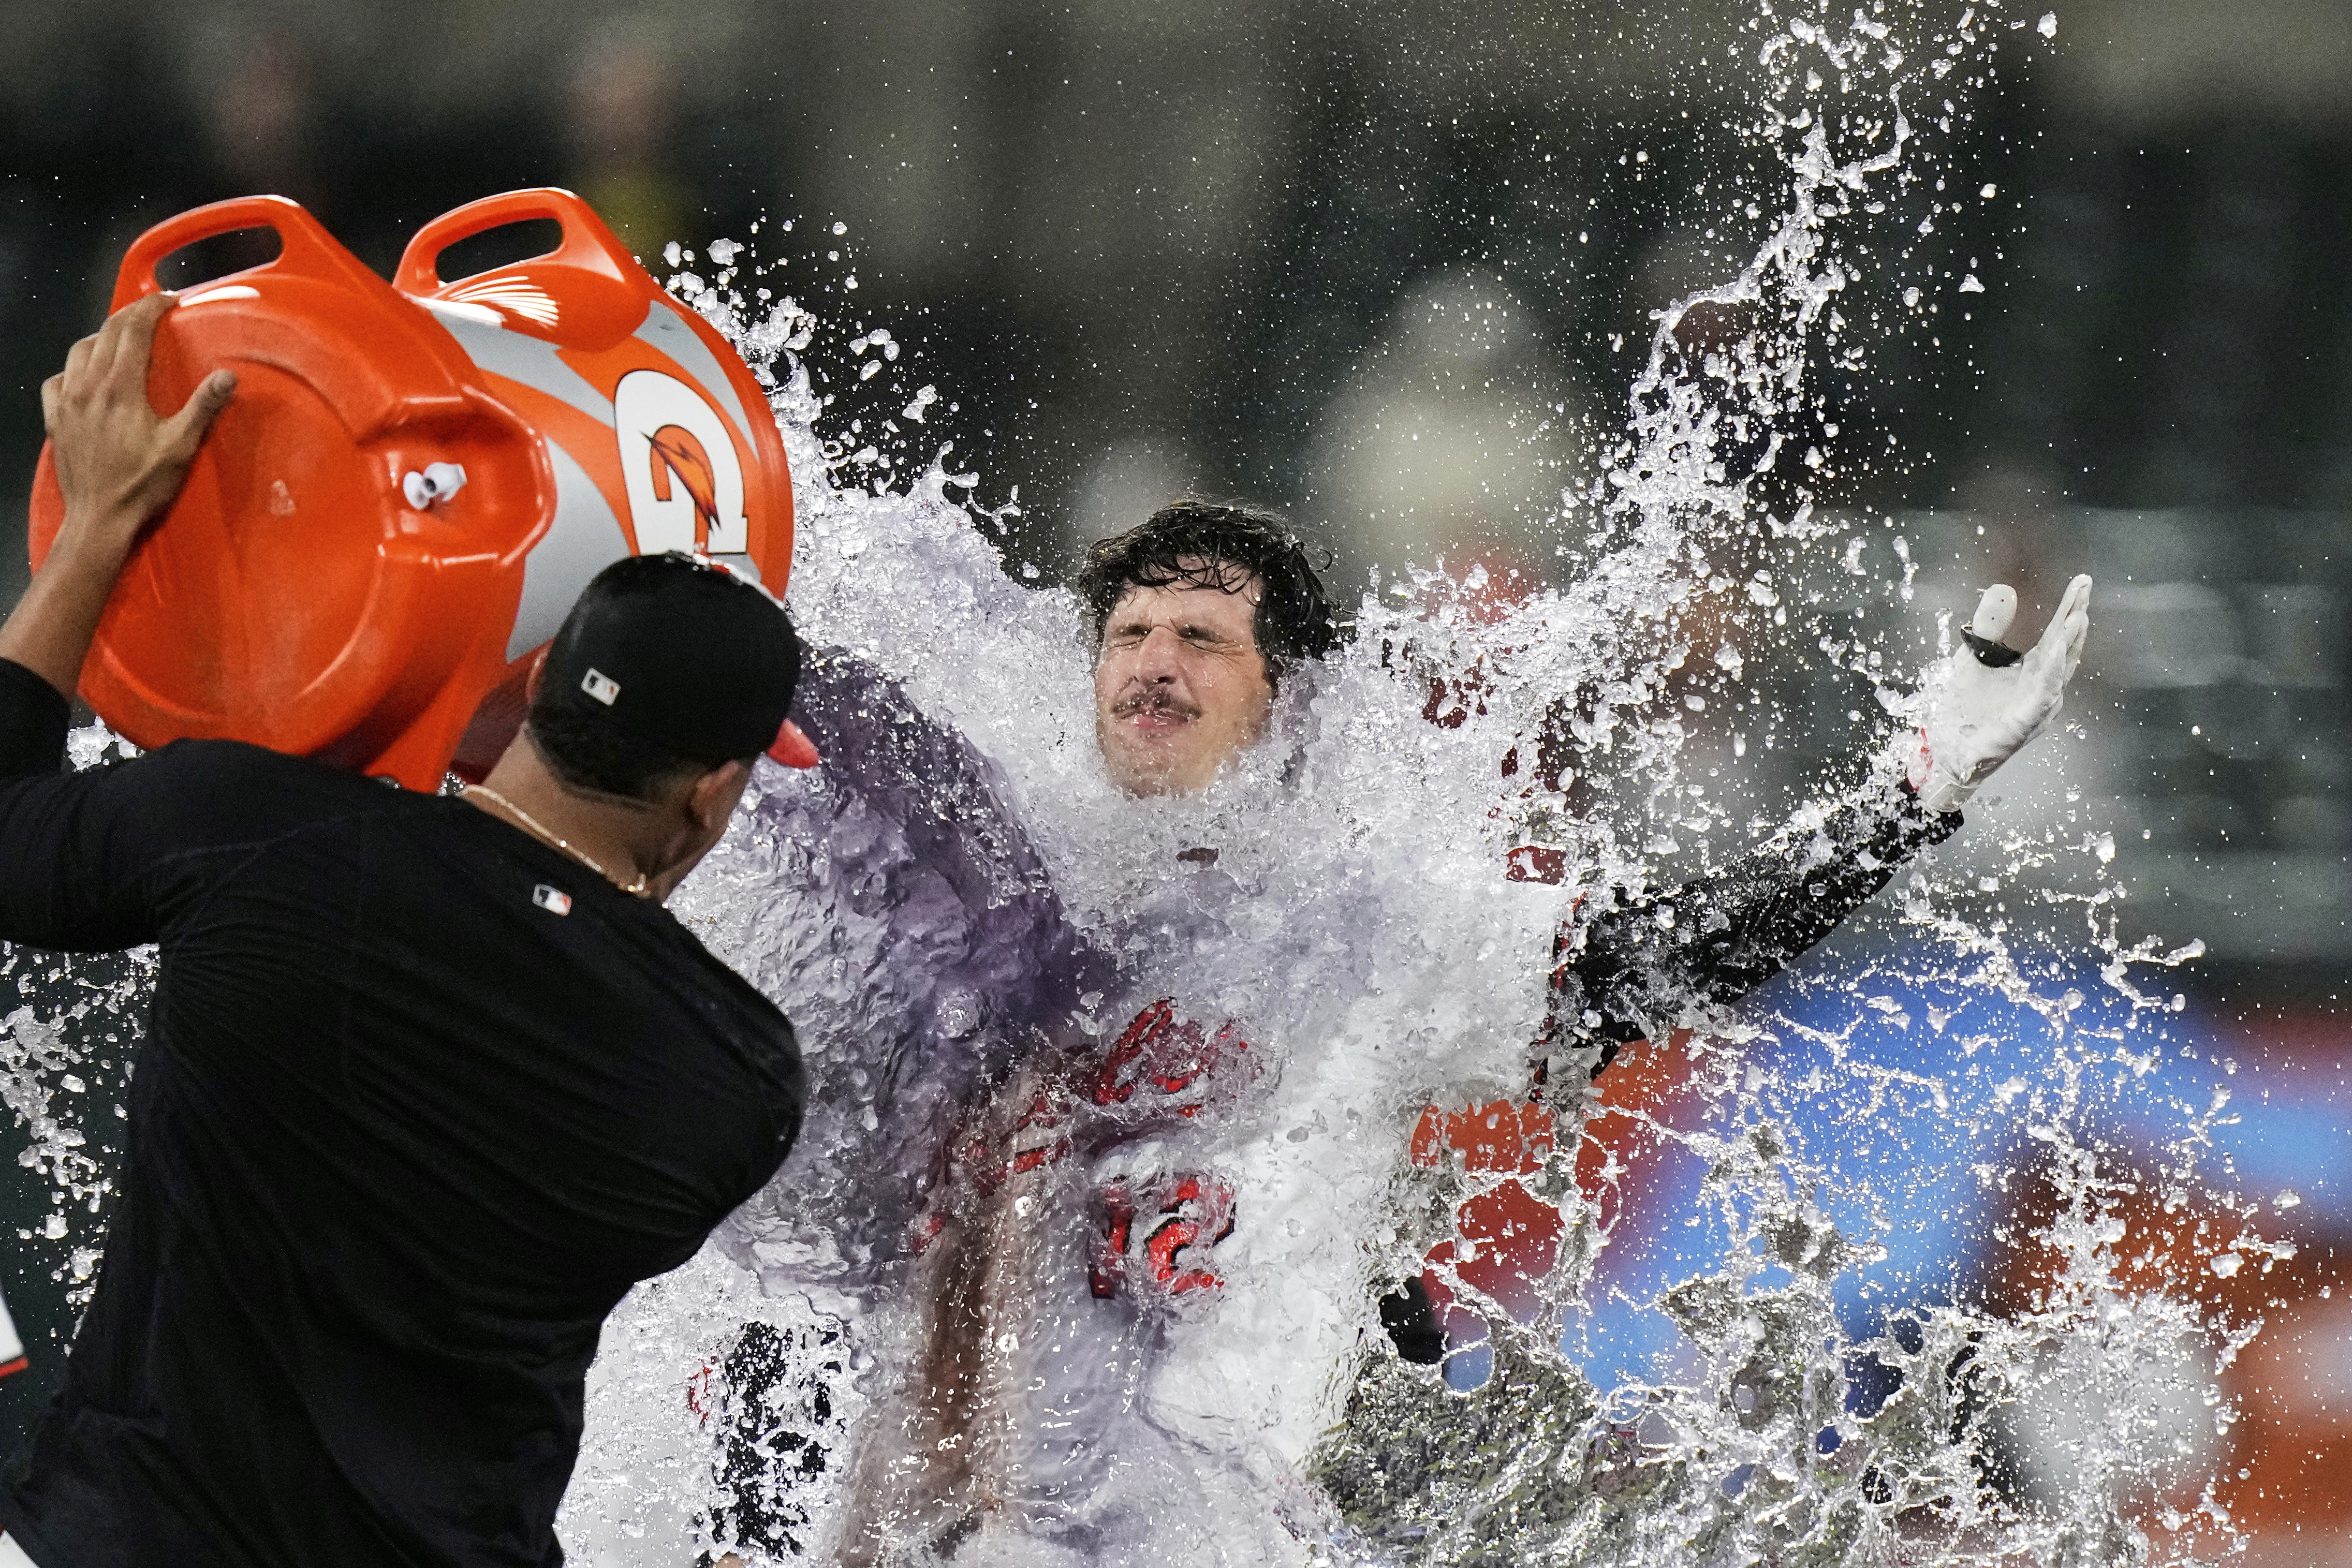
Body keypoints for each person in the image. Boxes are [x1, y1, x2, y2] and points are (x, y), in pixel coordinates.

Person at [690, 497, 2091, 1563]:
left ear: (1284, 696)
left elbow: (1661, 961)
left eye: (1201, 636)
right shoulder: (1013, 904)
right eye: (1129, 633)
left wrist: (1909, 792)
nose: (1154, 661)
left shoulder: (1364, 930)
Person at [0, 293, 813, 1568]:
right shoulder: (739, 1078)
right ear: (714, 791)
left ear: (535, 678)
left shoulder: (256, 835)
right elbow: (547, 973)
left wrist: (103, 523)